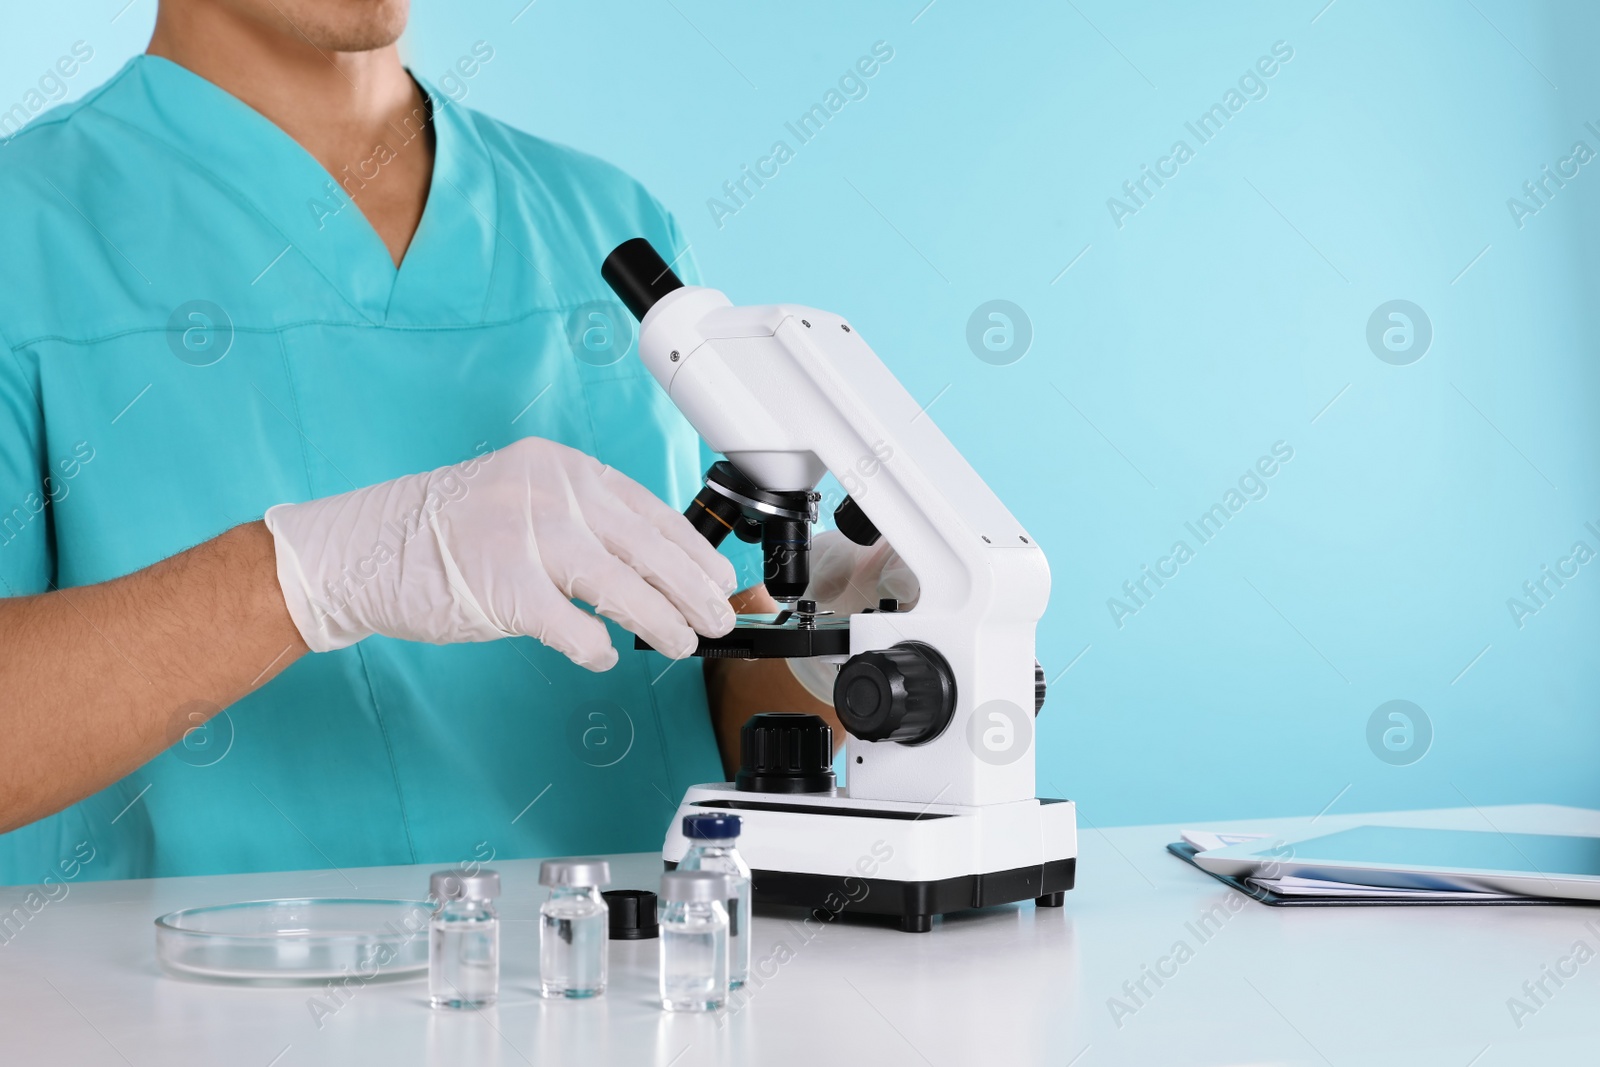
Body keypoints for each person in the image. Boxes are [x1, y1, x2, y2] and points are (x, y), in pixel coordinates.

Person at [0, 0, 908, 884]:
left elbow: (700, 684)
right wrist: (306, 576)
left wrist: (835, 647)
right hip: (194, 1014)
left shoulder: (605, 227)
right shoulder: (27, 232)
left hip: (621, 992)